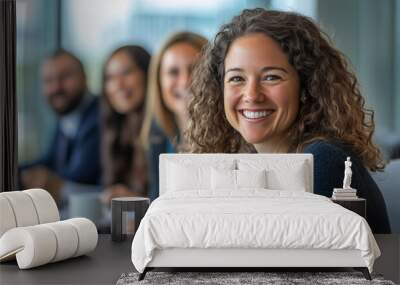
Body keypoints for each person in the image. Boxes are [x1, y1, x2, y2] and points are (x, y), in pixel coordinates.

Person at [187, 8, 391, 233]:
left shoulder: (322, 162)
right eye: (237, 78)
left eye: (271, 77)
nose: (252, 94)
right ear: (219, 90)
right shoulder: (256, 162)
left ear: (306, 87)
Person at [20, 49, 101, 204]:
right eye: (49, 80)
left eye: (65, 77)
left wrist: (44, 178)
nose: (56, 87)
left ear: (84, 78)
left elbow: (79, 175)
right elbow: (48, 161)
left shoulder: (99, 116)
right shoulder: (68, 116)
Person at [140, 32, 207, 201]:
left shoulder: (232, 140)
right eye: (173, 72)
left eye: (195, 69)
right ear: (159, 82)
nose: (185, 81)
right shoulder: (158, 137)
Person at [101, 45, 151, 203]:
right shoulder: (117, 129)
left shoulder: (162, 130)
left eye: (126, 73)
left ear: (148, 74)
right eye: (110, 78)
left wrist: (138, 201)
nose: (118, 84)